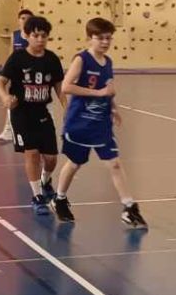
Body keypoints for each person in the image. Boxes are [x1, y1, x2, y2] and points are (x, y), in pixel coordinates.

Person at [51, 18, 147, 228]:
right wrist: (98, 93)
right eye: (100, 38)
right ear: (89, 38)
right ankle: (59, 198)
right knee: (75, 163)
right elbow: (66, 87)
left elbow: (107, 89)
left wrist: (112, 106)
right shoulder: (82, 60)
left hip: (101, 124)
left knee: (114, 163)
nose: (105, 42)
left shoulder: (108, 62)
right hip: (80, 123)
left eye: (108, 38)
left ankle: (129, 207)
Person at [0, 15, 65, 215]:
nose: (40, 39)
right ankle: (37, 196)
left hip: (42, 111)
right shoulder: (17, 58)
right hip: (22, 113)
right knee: (32, 153)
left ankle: (45, 181)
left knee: (51, 158)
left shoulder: (51, 59)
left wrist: (67, 109)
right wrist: (5, 97)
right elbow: (0, 82)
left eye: (44, 36)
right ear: (27, 36)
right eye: (36, 35)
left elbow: (59, 87)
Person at [0, 9, 33, 143]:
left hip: (31, 74)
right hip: (17, 74)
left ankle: (31, 129)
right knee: (12, 101)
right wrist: (8, 69)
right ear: (18, 20)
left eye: (28, 18)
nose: (25, 20)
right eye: (23, 18)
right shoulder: (15, 35)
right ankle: (8, 130)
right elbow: (11, 54)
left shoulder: (34, 36)